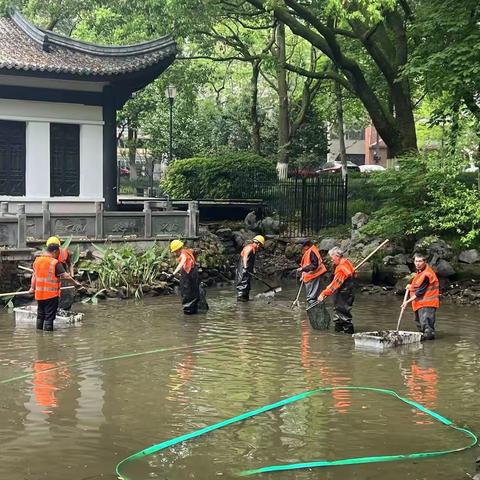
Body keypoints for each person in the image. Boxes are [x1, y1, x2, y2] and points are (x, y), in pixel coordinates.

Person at [28, 244, 81, 331]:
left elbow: (34, 276)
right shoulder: (54, 263)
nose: (58, 256)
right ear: (55, 252)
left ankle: (39, 336)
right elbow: (66, 276)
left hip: (39, 295)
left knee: (40, 315)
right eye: (58, 254)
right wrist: (75, 283)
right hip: (50, 295)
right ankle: (48, 339)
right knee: (49, 317)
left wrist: (32, 288)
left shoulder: (37, 261)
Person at [401, 253, 439, 340]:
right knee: (419, 324)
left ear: (424, 262)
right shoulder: (420, 272)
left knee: (427, 328)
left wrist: (406, 302)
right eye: (416, 261)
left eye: (420, 261)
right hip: (419, 304)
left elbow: (420, 292)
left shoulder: (427, 274)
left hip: (427, 304)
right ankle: (423, 347)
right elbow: (417, 286)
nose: (417, 263)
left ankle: (428, 348)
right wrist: (410, 287)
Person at [318, 247, 356, 334]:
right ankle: (338, 335)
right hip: (348, 292)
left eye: (332, 257)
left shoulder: (341, 268)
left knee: (344, 315)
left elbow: (335, 284)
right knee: (338, 314)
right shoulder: (347, 262)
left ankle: (348, 338)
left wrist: (323, 294)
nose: (331, 260)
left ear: (337, 256)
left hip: (344, 293)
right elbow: (354, 274)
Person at [169, 240, 206, 315]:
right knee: (194, 293)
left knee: (187, 294)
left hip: (188, 276)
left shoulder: (183, 255)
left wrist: (173, 274)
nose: (174, 253)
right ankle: (194, 311)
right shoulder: (188, 251)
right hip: (194, 274)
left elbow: (182, 263)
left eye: (175, 251)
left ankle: (188, 313)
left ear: (178, 249)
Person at [46, 236, 75, 310]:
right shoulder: (46, 256)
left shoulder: (65, 253)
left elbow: (70, 264)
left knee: (65, 297)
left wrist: (72, 275)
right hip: (53, 280)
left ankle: (64, 310)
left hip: (63, 278)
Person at [296, 239, 327, 307]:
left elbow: (314, 265)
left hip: (314, 275)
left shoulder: (312, 251)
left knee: (312, 296)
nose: (302, 249)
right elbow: (307, 263)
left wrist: (303, 269)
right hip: (311, 275)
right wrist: (302, 274)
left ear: (306, 246)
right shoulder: (309, 250)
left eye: (302, 247)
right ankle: (318, 306)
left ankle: (312, 308)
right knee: (316, 294)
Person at [235, 235, 265, 301]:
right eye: (260, 246)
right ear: (258, 243)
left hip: (247, 272)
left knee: (247, 285)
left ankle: (245, 300)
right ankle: (241, 299)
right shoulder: (249, 248)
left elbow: (250, 261)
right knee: (243, 285)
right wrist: (245, 267)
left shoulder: (253, 249)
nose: (259, 248)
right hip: (243, 271)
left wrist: (252, 269)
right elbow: (245, 257)